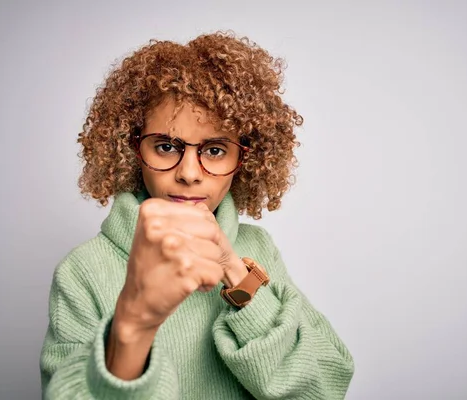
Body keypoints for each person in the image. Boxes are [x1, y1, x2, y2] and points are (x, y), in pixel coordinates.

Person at [39, 30, 354, 399]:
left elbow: (324, 388)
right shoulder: (83, 271)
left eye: (216, 150)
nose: (189, 172)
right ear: (131, 149)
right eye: (166, 146)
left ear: (245, 160)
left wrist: (236, 274)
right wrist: (133, 322)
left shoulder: (257, 250)